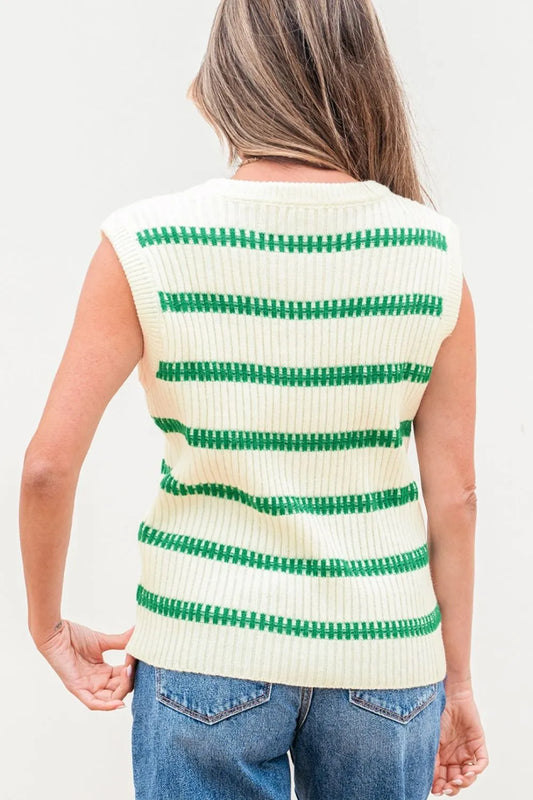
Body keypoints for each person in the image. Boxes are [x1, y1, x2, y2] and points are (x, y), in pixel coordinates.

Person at [19, 1, 489, 798]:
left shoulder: (146, 243)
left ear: (228, 77)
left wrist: (47, 627)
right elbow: (458, 499)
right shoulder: (431, 254)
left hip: (204, 649)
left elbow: (46, 469)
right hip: (385, 661)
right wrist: (460, 681)